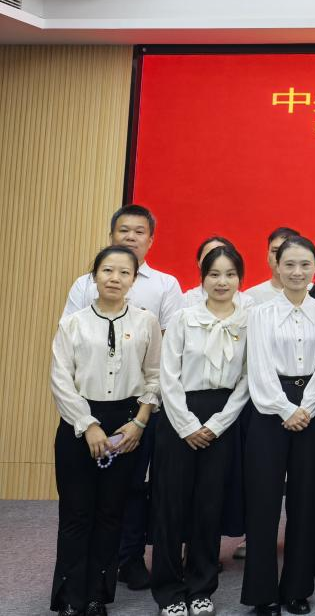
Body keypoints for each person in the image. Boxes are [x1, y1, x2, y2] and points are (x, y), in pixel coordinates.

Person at [60, 204, 181, 592]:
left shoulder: (164, 286)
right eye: (123, 230)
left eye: (139, 231)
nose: (131, 236)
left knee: (129, 490)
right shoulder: (83, 289)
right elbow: (68, 352)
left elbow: (165, 349)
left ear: (151, 239)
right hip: (87, 408)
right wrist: (86, 421)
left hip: (138, 407)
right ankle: (79, 582)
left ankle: (126, 562)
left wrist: (142, 417)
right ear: (111, 235)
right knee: (81, 501)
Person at [50, 245, 160, 616]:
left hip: (127, 425)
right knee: (76, 513)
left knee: (112, 513)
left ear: (134, 279)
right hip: (79, 422)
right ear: (94, 276)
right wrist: (88, 425)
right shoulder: (74, 323)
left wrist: (139, 422)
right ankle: (70, 598)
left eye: (124, 272)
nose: (115, 278)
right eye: (107, 270)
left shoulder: (145, 322)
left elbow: (155, 376)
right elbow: (61, 381)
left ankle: (98, 595)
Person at [151, 244, 252, 616]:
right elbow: (167, 376)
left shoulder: (249, 321)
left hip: (223, 418)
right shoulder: (183, 317)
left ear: (240, 278)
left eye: (230, 274)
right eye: (214, 274)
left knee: (210, 506)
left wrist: (218, 423)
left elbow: (247, 379)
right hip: (180, 416)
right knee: (171, 505)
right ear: (202, 277)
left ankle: (201, 587)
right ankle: (169, 591)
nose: (222, 282)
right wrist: (187, 425)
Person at [241, 236, 315, 616]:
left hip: (311, 408)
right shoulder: (260, 312)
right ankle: (262, 593)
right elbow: (258, 368)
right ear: (276, 266)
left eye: (305, 264)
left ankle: (296, 589)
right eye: (289, 264)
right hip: (268, 409)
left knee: (306, 503)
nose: (297, 272)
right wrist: (284, 408)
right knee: (263, 503)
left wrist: (306, 406)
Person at [244, 227, 302, 306]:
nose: (280, 257)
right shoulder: (251, 298)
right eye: (275, 251)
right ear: (268, 256)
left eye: (288, 250)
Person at [180, 235, 234, 306]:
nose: (216, 262)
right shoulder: (186, 300)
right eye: (209, 256)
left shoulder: (245, 302)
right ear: (199, 263)